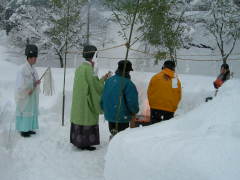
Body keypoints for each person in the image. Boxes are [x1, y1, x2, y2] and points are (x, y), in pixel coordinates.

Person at [70, 45, 110, 151]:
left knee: (80, 118)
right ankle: (85, 143)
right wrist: (104, 81)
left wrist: (102, 78)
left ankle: (77, 141)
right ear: (94, 57)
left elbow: (92, 84)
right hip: (87, 103)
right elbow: (96, 87)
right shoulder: (90, 70)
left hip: (79, 102)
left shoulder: (80, 68)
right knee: (87, 119)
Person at [101, 60, 139, 139]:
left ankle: (112, 146)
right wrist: (134, 111)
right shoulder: (128, 84)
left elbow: (103, 97)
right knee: (121, 137)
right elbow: (132, 102)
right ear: (128, 71)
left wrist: (104, 108)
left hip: (109, 115)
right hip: (122, 117)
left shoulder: (109, 81)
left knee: (114, 133)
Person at [15, 44, 41, 137]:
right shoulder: (22, 69)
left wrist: (36, 82)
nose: (35, 60)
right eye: (34, 58)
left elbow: (33, 80)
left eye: (35, 58)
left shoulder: (33, 69)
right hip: (25, 95)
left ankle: (29, 128)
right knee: (25, 110)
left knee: (31, 111)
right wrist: (26, 90)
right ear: (29, 58)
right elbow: (19, 84)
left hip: (31, 95)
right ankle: (23, 129)